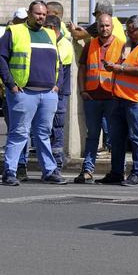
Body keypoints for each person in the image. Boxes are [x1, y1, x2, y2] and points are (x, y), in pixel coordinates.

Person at [0, 0, 64, 186]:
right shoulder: (15, 31)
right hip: (24, 92)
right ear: (29, 13)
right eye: (37, 13)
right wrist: (11, 85)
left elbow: (59, 63)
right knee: (19, 133)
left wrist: (57, 84)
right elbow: (0, 59)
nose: (41, 17)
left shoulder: (50, 34)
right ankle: (10, 171)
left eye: (43, 14)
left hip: (48, 93)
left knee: (43, 134)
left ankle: (49, 171)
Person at [102, 15, 138, 186]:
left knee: (137, 138)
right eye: (127, 31)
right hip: (120, 97)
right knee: (117, 138)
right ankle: (116, 172)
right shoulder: (130, 46)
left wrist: (119, 68)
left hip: (136, 100)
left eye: (131, 31)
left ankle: (137, 174)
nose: (128, 34)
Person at [75, 12, 125, 184]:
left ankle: (117, 171)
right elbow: (82, 69)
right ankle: (87, 170)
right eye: (101, 26)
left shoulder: (121, 45)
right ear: (97, 27)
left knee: (115, 136)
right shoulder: (90, 44)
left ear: (112, 26)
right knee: (93, 135)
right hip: (93, 97)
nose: (104, 28)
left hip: (112, 97)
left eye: (107, 25)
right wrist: (82, 91)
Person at [47, 15, 75, 169]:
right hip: (48, 92)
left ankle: (57, 162)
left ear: (52, 28)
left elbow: (54, 64)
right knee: (46, 128)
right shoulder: (53, 42)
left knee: (57, 127)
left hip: (59, 93)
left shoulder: (64, 44)